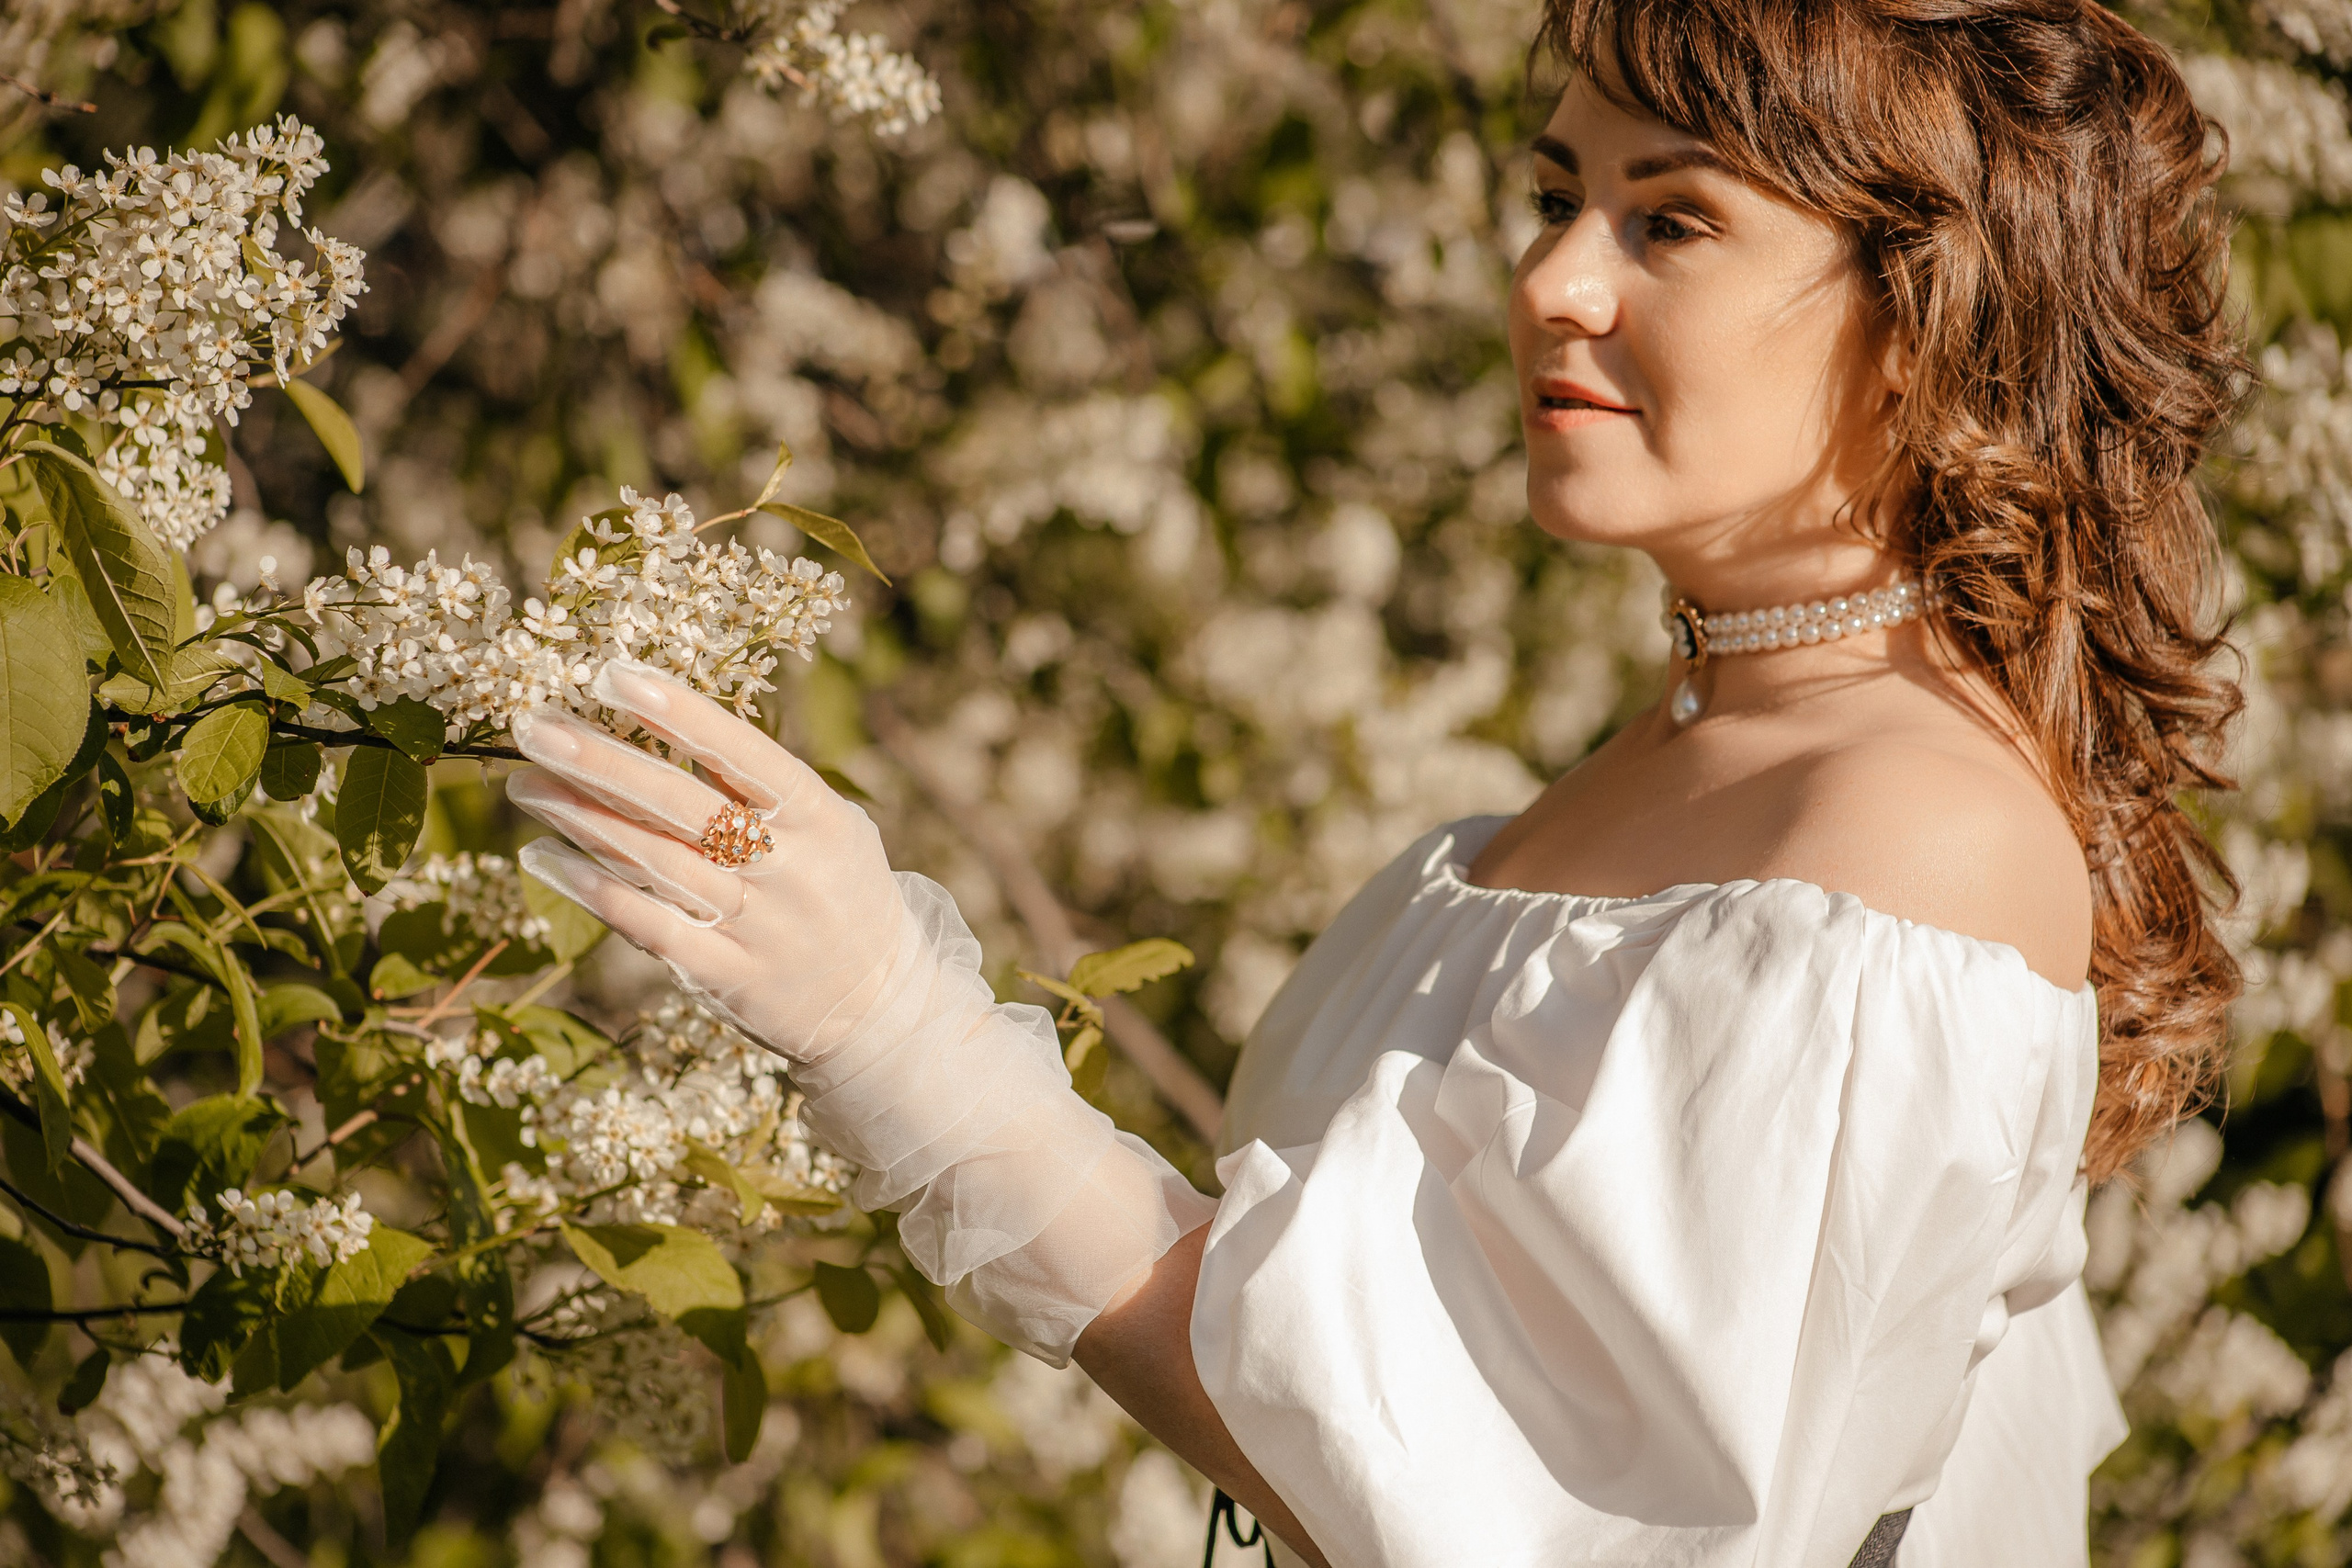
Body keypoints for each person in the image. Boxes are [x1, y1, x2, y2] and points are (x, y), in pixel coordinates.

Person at [501, 0, 2249, 1562]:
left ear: (1930, 308)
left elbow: (1512, 1506)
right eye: (1555, 195)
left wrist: (896, 1029)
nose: (1553, 282)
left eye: (1671, 219)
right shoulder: (1672, 760)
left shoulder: (1907, 844)